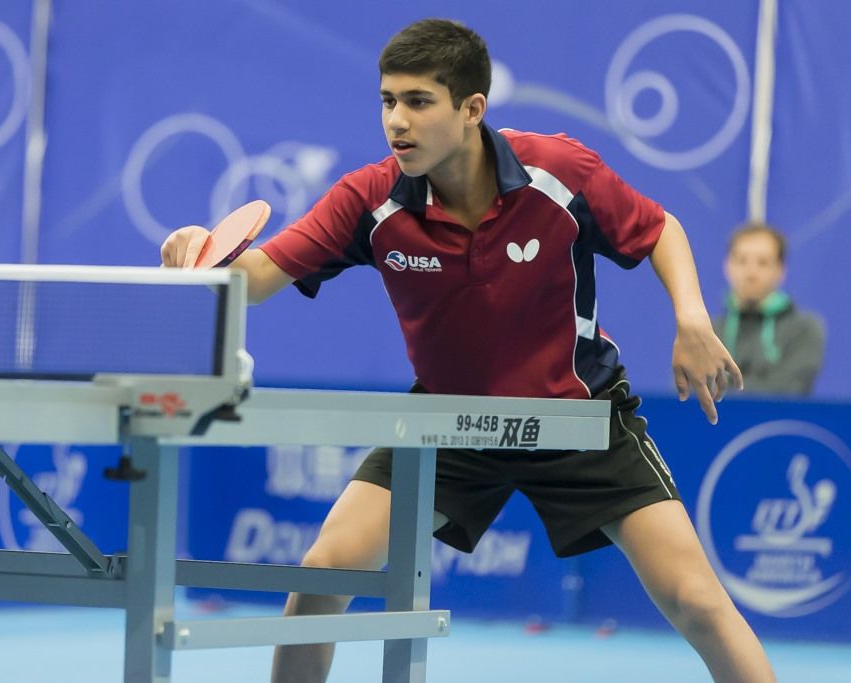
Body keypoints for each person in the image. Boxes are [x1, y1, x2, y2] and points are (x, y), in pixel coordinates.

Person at [161, 19, 775, 683]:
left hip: (578, 415)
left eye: (419, 102)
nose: (397, 121)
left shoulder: (558, 172)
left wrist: (690, 317)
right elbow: (255, 279)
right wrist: (202, 260)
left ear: (471, 108)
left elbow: (658, 228)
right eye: (388, 101)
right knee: (321, 575)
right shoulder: (369, 200)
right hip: (448, 425)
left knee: (695, 599)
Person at [713, 222, 825, 395]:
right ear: (727, 266)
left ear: (780, 270)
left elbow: (790, 390)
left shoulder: (805, 329)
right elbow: (690, 390)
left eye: (763, 263)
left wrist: (724, 390)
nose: (751, 272)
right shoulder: (708, 333)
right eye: (742, 260)